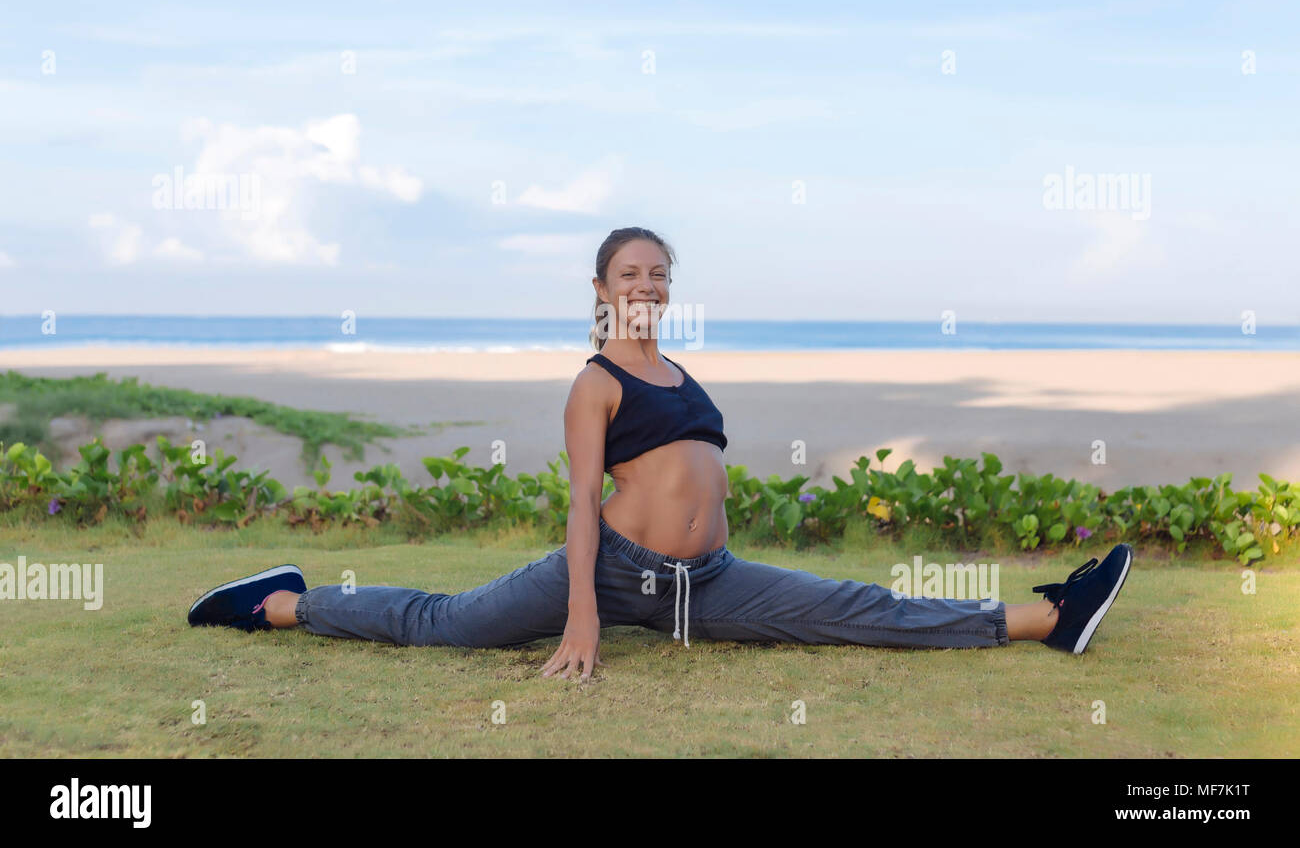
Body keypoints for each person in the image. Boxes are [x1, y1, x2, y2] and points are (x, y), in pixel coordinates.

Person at [188, 226, 1134, 681]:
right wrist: (584, 619)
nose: (646, 284)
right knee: (449, 623)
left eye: (659, 274)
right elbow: (579, 506)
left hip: (709, 581)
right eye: (630, 273)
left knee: (855, 609)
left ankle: (1050, 616)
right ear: (601, 287)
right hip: (612, 575)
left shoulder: (680, 370)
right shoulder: (594, 380)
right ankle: (279, 603)